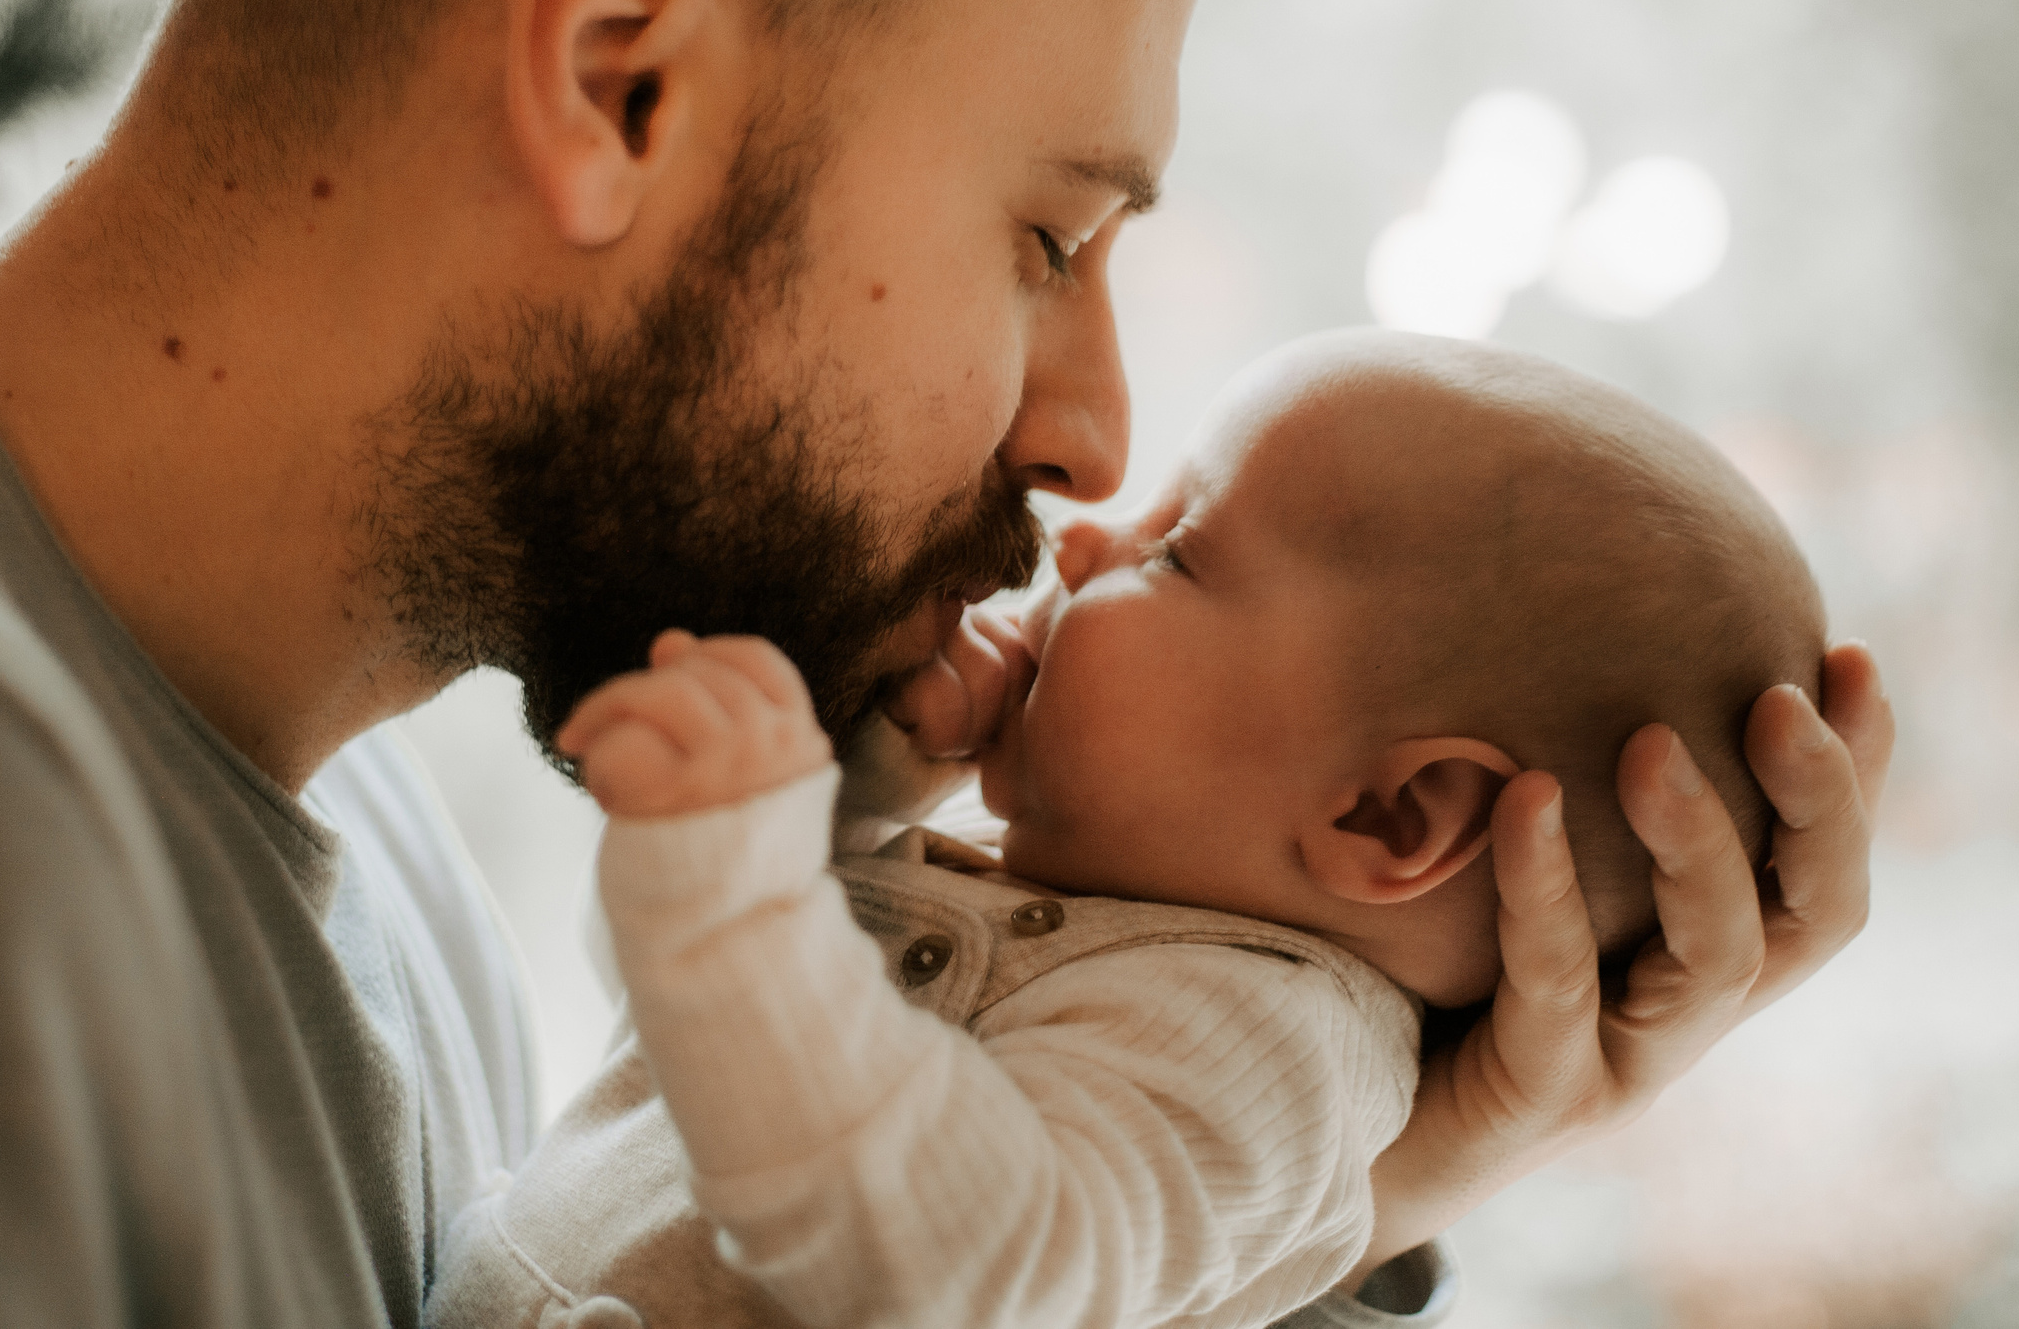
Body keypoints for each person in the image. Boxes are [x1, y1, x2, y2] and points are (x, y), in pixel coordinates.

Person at [0, 0, 1890, 1325]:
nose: (1082, 433)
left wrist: (1376, 1161)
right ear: (618, 74)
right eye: (1046, 235)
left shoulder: (355, 804)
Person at [428, 330, 1830, 1327]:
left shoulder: (1257, 1056)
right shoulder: (1087, 924)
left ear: (1387, 813)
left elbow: (963, 1275)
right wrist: (824, 818)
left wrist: (738, 892)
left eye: (1178, 550)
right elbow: (686, 1048)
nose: (1089, 540)